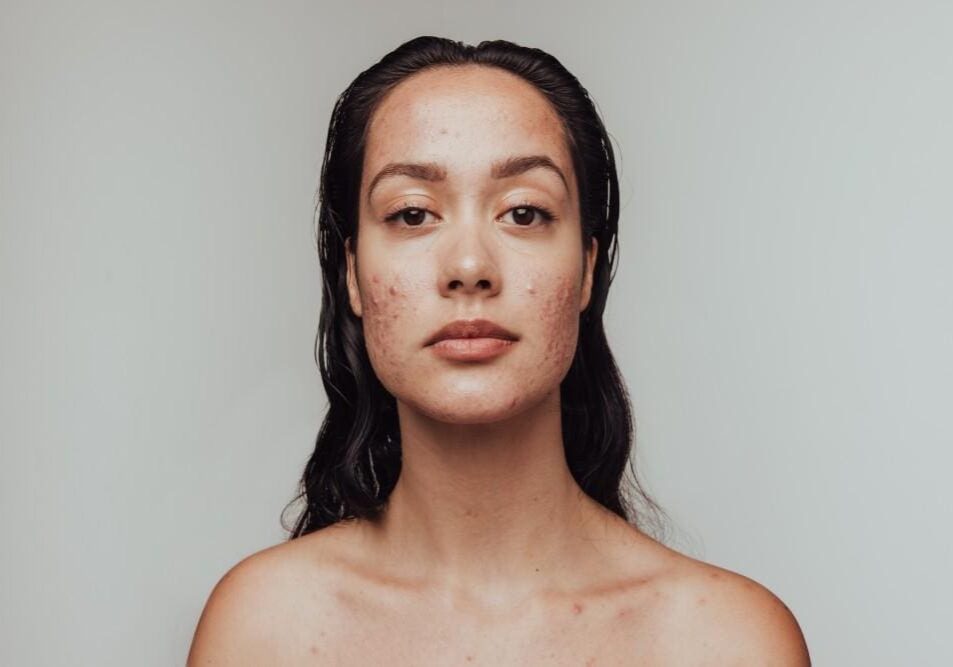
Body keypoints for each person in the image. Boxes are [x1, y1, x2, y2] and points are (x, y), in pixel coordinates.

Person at [187, 36, 810, 665]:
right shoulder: (262, 629)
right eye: (410, 215)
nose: (468, 266)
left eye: (524, 213)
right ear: (352, 272)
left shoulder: (726, 641)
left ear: (587, 268)